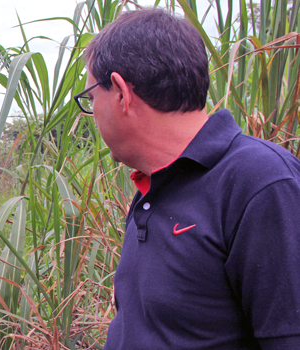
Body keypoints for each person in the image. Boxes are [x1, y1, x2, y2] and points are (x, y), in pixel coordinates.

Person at [74, 9, 300, 349]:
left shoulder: (262, 183)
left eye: (92, 98)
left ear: (121, 92)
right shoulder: (152, 187)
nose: (93, 112)